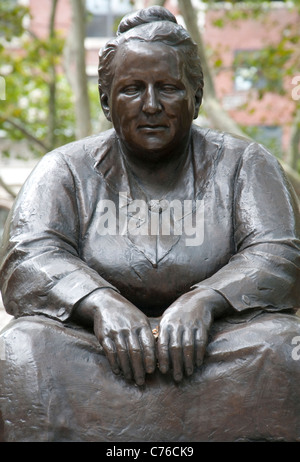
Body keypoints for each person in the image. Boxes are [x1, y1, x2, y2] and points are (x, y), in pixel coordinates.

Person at [0, 6, 299, 442]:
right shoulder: (64, 169)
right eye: (132, 89)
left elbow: (279, 254)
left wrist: (205, 301)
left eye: (170, 88)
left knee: (284, 347)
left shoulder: (245, 164)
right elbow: (27, 256)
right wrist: (100, 302)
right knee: (22, 349)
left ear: (196, 98)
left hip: (217, 347)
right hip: (97, 352)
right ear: (106, 102)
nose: (151, 105)